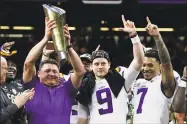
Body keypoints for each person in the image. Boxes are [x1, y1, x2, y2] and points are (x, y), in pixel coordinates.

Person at [77, 15, 144, 124]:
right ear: (92, 67)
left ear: (109, 65)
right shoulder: (86, 85)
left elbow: (139, 61)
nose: (100, 66)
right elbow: (82, 117)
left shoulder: (121, 80)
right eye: (96, 64)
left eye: (103, 63)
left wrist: (134, 36)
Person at [22, 17, 85, 124]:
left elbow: (80, 71)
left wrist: (69, 46)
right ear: (38, 73)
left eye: (55, 71)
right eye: (47, 71)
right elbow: (28, 63)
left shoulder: (66, 88)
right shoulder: (32, 87)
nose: (51, 73)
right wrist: (46, 38)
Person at [132, 17, 181, 124]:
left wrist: (157, 37)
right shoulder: (138, 83)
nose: (145, 69)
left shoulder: (164, 83)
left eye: (150, 65)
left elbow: (166, 63)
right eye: (144, 65)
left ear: (160, 67)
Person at [0, 56, 35, 124]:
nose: (10, 68)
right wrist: (16, 104)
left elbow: (29, 65)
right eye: (5, 67)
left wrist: (22, 103)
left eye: (13, 65)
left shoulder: (21, 83)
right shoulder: (2, 87)